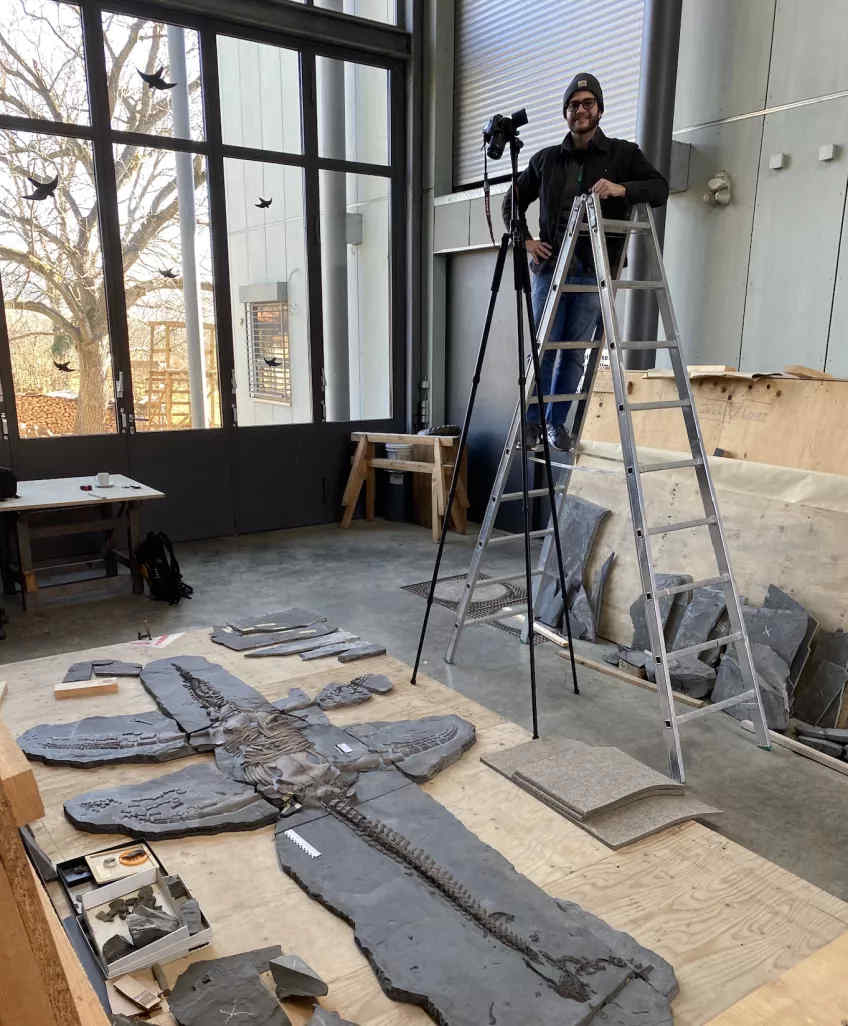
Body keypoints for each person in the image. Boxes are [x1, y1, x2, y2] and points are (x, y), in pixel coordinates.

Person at [503, 72, 669, 451]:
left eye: (587, 104)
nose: (581, 110)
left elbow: (659, 188)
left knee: (574, 349)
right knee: (544, 346)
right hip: (550, 270)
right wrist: (527, 241)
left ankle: (554, 424)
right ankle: (531, 423)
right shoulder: (545, 160)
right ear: (566, 113)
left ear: (599, 109)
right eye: (574, 105)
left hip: (594, 269)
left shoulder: (623, 155)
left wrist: (621, 188)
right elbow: (512, 201)